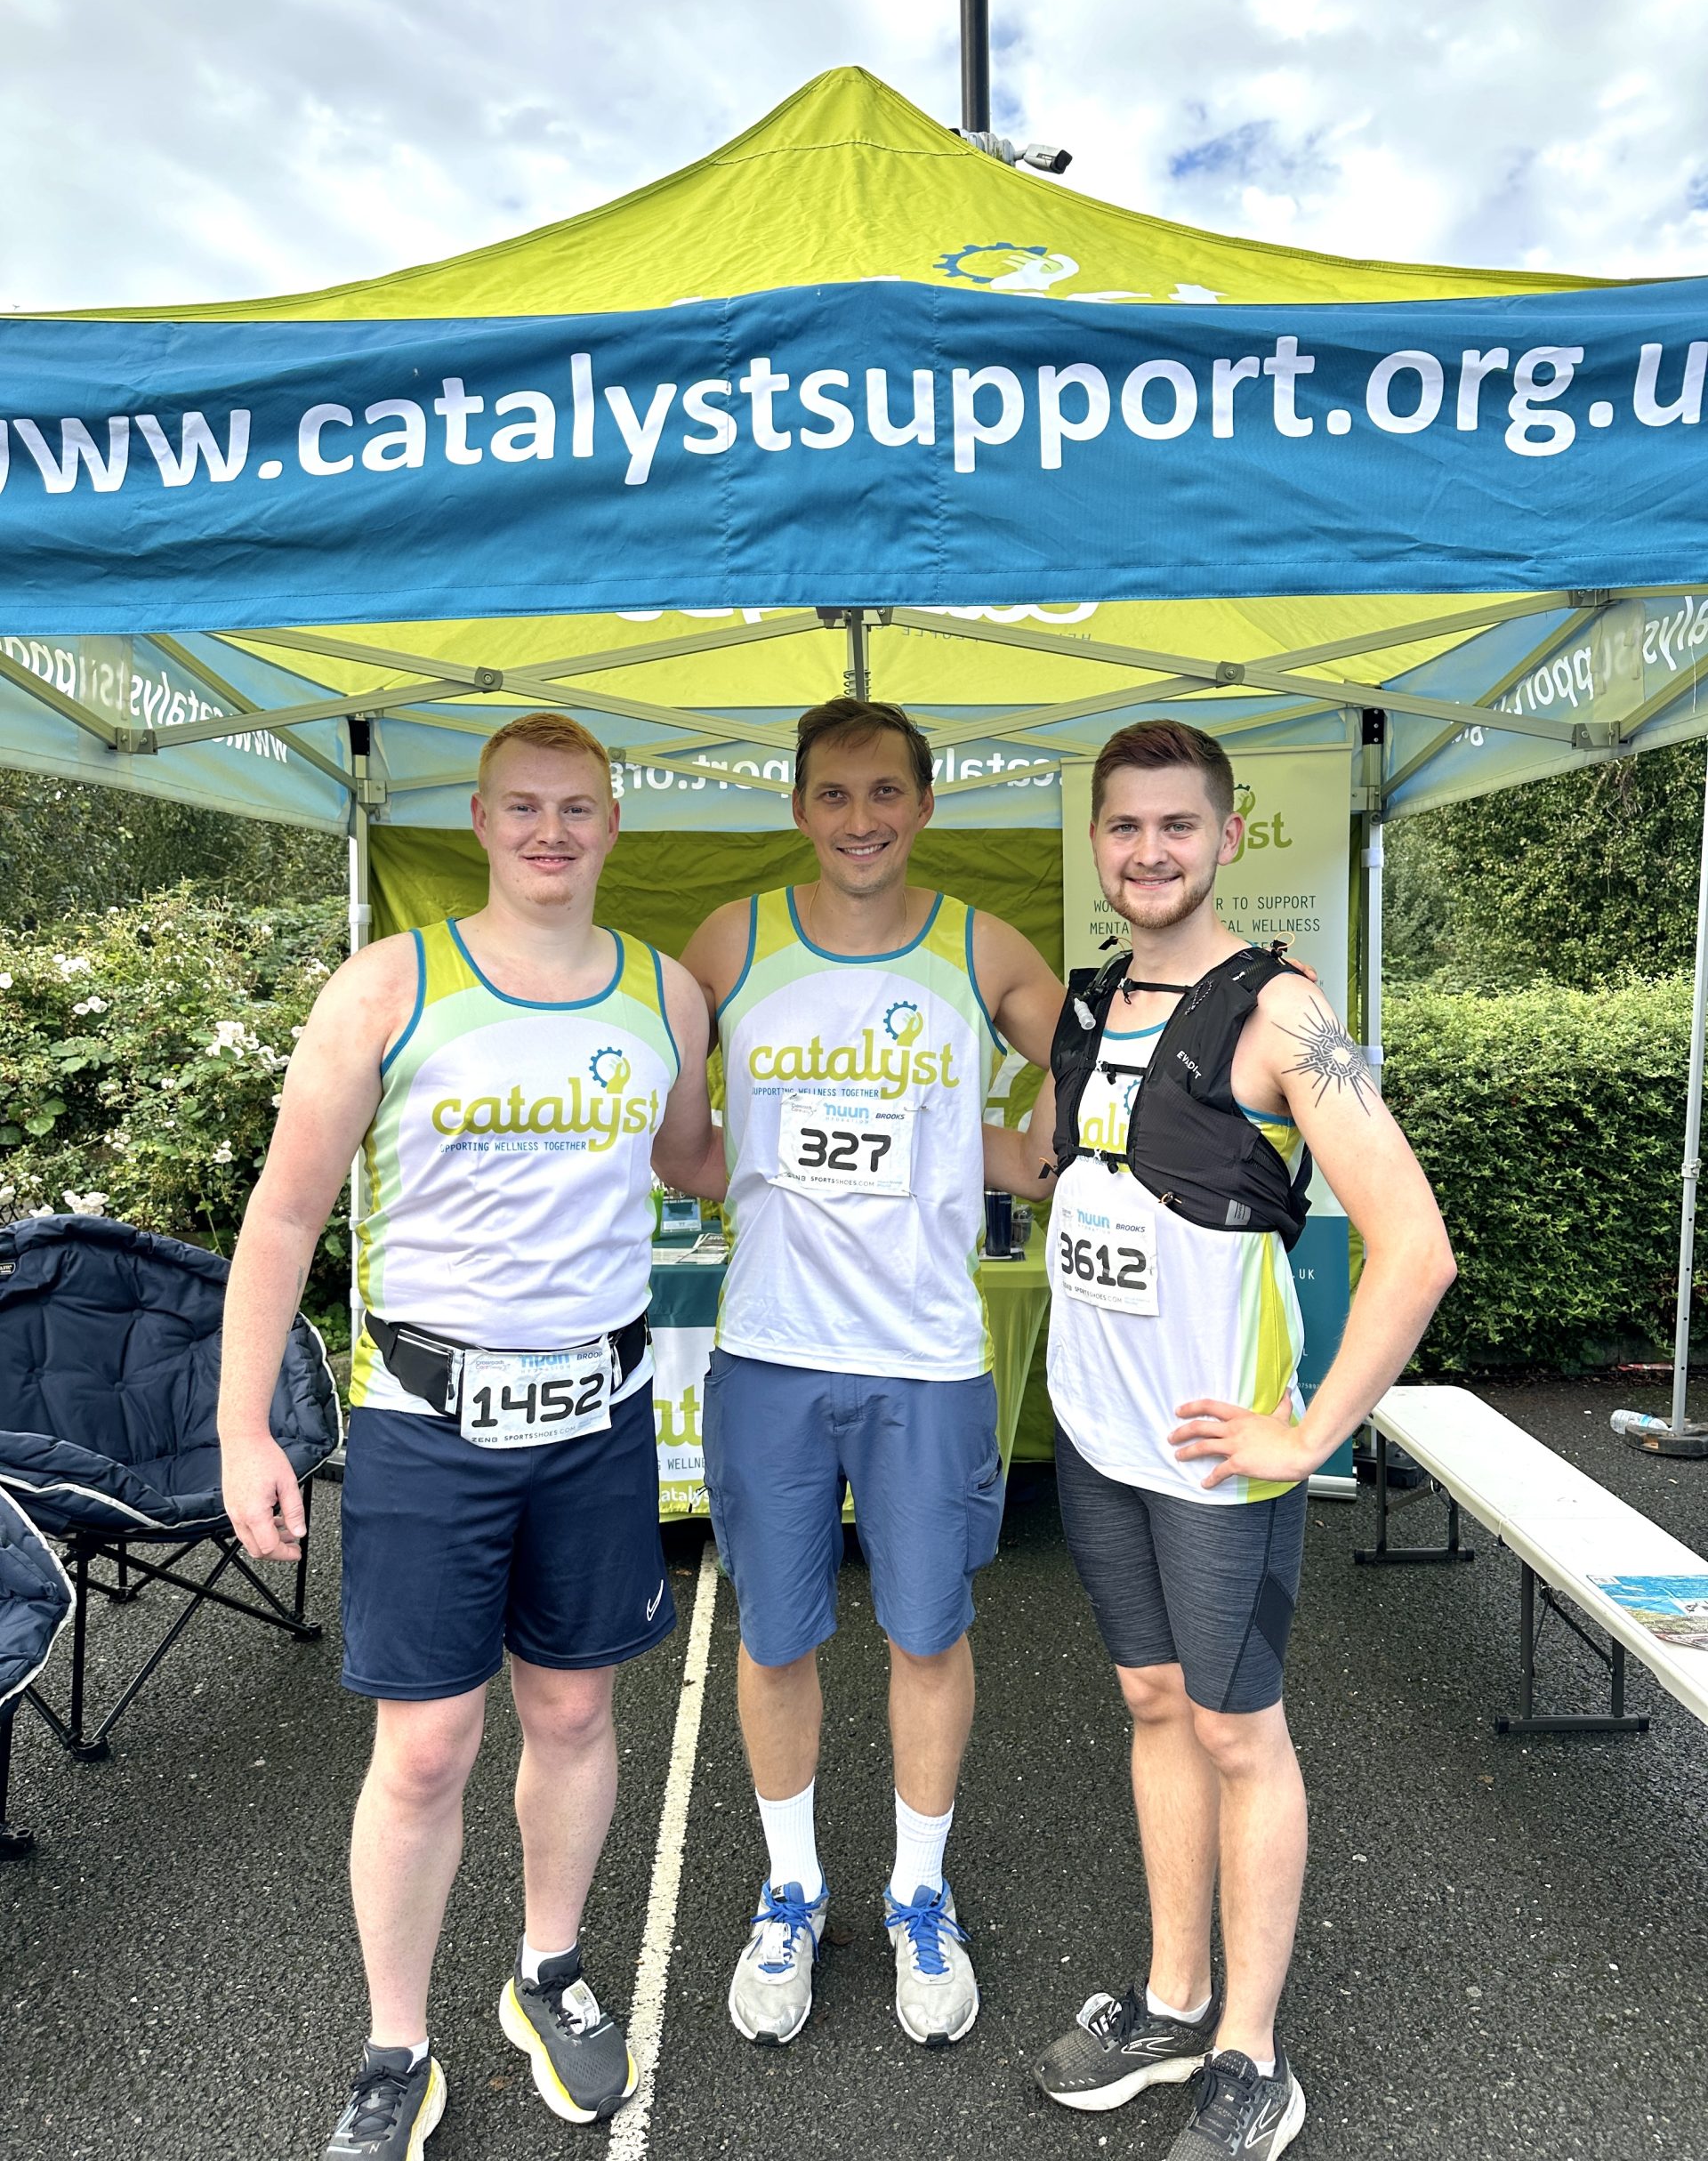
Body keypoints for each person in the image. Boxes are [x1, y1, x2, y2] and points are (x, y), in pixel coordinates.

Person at [218, 711, 715, 2159]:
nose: (552, 830)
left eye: (578, 806)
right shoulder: (388, 986)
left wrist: (880, 1151)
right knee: (427, 1748)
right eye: (524, 806)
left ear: (613, 823)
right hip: (429, 1426)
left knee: (573, 1714)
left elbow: (690, 1158)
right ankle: (396, 2046)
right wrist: (243, 1427)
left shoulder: (667, 995)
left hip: (597, 1417)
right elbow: (283, 1215)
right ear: (484, 821)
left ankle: (547, 1972)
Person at [987, 719, 1455, 2161]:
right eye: (1125, 827)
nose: (1150, 851)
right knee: (1152, 1703)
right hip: (1099, 1437)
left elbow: (1417, 1247)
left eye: (1177, 825)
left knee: (1238, 1730)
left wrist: (1309, 1431)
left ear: (1228, 836)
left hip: (1213, 1457)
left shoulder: (1284, 1014)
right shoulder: (1088, 1007)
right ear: (1097, 842)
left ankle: (1251, 2054)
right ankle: (1174, 2001)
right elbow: (1057, 1168)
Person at [676, 697, 1064, 2050]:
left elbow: (1084, 1066)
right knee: (775, 1637)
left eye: (886, 792)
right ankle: (791, 1889)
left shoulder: (980, 945)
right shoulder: (732, 942)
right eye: (835, 795)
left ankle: (916, 1894)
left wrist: (1011, 1150)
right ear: (798, 808)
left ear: (926, 803)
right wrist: (746, 1162)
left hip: (926, 1359)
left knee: (928, 1635)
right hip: (772, 1353)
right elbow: (672, 1128)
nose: (861, 819)